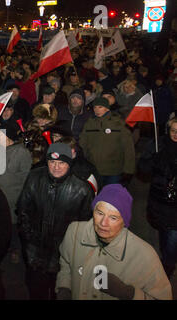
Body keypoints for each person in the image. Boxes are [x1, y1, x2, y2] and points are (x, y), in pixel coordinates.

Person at [55, 184, 172, 300]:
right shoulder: (75, 231)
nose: (103, 223)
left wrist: (129, 293)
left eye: (113, 218)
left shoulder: (145, 255)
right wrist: (64, 288)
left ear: (124, 222)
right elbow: (66, 263)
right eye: (100, 213)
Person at [16, 143, 94, 300]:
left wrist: (72, 253)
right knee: (36, 292)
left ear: (69, 164)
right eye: (52, 162)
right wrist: (29, 242)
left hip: (64, 257)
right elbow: (23, 211)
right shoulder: (34, 178)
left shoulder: (82, 190)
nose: (56, 167)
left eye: (62, 163)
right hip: (35, 253)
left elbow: (86, 227)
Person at [138, 117, 177, 278]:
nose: (176, 134)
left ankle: (168, 266)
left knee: (172, 238)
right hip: (159, 201)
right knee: (164, 234)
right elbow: (143, 168)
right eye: (173, 130)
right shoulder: (157, 144)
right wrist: (152, 159)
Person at [79, 97, 135, 187]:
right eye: (95, 107)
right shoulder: (89, 123)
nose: (97, 110)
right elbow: (83, 144)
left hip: (114, 170)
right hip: (94, 168)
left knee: (110, 198)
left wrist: (129, 169)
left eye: (100, 107)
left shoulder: (118, 123)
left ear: (107, 108)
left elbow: (128, 147)